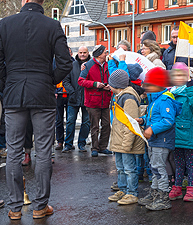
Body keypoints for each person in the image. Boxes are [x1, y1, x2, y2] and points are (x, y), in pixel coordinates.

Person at [0, 0, 73, 220]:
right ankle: (40, 205)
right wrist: (49, 81)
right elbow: (65, 62)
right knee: (43, 151)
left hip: (14, 93)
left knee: (13, 151)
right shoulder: (52, 25)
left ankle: (14, 207)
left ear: (23, 1)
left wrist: (7, 84)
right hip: (42, 92)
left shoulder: (5, 24)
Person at [137, 67, 182, 211]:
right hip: (155, 140)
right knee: (154, 167)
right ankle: (155, 193)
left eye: (148, 85)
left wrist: (152, 129)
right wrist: (143, 120)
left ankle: (163, 197)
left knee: (159, 168)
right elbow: (153, 117)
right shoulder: (155, 100)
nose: (145, 87)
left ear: (158, 85)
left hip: (161, 140)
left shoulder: (164, 100)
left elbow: (168, 120)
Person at [107, 69, 145, 205]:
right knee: (121, 168)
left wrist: (127, 144)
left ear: (116, 85)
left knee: (129, 168)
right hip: (119, 141)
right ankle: (123, 189)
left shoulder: (128, 98)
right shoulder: (120, 96)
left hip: (125, 142)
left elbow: (131, 124)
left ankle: (132, 193)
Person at [168, 63, 193, 202]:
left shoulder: (192, 90)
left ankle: (191, 188)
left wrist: (191, 87)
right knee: (178, 162)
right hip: (175, 132)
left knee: (190, 162)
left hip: (188, 131)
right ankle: (178, 186)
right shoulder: (172, 92)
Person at [78, 45, 112, 157]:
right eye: (104, 52)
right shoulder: (88, 65)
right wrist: (95, 84)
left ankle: (103, 147)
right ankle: (95, 148)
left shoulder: (107, 65)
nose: (106, 54)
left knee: (106, 125)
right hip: (93, 101)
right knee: (95, 126)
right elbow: (81, 81)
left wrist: (107, 86)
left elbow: (110, 79)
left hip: (105, 100)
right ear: (99, 54)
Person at [62, 46, 91, 153]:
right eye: (80, 52)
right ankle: (68, 144)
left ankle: (82, 143)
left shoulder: (91, 65)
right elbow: (66, 81)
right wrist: (72, 92)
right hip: (73, 99)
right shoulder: (72, 65)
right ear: (77, 53)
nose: (82, 54)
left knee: (86, 122)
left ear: (88, 53)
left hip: (87, 98)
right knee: (70, 121)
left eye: (84, 52)